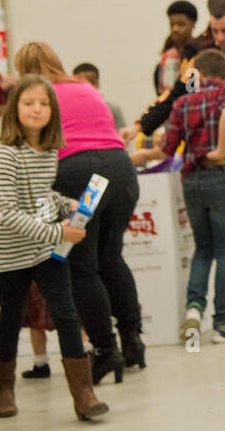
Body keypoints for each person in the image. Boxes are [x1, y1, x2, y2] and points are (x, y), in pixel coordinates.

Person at [15, 42, 145, 380]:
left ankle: (105, 350)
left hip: (79, 175)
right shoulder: (84, 87)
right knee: (112, 257)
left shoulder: (36, 97)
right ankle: (133, 341)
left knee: (81, 267)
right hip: (121, 170)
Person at [0, 76, 107, 421]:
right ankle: (3, 388)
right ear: (15, 109)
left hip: (44, 247)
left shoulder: (49, 151)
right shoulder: (4, 153)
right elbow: (6, 212)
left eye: (44, 103)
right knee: (11, 317)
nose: (37, 109)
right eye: (28, 103)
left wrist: (69, 205)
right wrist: (58, 232)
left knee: (66, 314)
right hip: (10, 252)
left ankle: (83, 394)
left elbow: (40, 195)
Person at [127, 0, 225, 268]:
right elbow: (176, 95)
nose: (219, 38)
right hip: (216, 139)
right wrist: (140, 125)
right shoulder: (203, 56)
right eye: (215, 31)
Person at [158, 48, 225, 343]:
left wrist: (138, 157)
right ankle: (224, 321)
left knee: (202, 249)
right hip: (219, 177)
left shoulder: (182, 101)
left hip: (191, 179)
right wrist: (222, 150)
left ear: (197, 74)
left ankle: (193, 310)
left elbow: (166, 149)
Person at [157, 0, 198, 95]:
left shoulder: (199, 54)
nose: (175, 29)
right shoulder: (165, 58)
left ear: (193, 25)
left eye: (181, 24)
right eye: (172, 24)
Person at [71, 62, 126, 130]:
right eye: (81, 83)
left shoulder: (112, 109)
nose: (87, 87)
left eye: (91, 82)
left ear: (98, 84)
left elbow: (122, 137)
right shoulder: (66, 110)